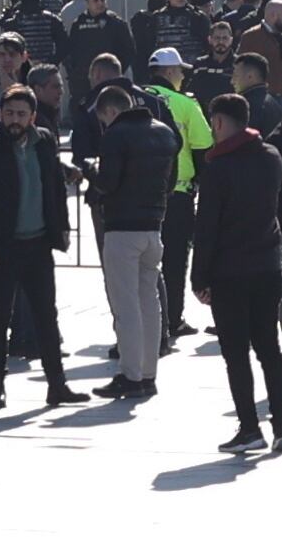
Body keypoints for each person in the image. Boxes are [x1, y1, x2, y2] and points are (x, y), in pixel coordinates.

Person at [0, 86, 87, 410]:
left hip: (38, 243)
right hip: (1, 248)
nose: (14, 120)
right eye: (8, 113)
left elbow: (54, 187)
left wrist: (62, 228)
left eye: (20, 114)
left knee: (47, 315)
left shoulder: (44, 141)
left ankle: (57, 385)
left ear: (32, 116)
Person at [191, 94, 282, 453]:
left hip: (230, 271)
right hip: (268, 265)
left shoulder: (218, 169)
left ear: (217, 122)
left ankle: (249, 428)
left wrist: (199, 278)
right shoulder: (271, 157)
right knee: (269, 348)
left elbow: (207, 228)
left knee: (236, 353)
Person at [82, 86, 174, 401]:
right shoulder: (163, 133)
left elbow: (108, 183)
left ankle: (131, 375)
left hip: (122, 228)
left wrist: (91, 170)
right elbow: (171, 181)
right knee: (150, 301)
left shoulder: (116, 135)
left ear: (110, 112)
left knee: (126, 305)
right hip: (154, 226)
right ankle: (149, 374)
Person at [144, 48, 212, 344]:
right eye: (180, 71)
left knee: (141, 263)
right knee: (174, 259)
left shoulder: (134, 98)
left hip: (139, 196)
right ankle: (172, 319)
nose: (183, 75)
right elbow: (203, 149)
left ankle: (144, 320)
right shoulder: (185, 104)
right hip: (178, 193)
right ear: (170, 72)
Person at [63, 0, 134, 111]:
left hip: (109, 79)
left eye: (103, 0)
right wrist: (73, 71)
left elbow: (129, 50)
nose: (100, 3)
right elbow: (70, 50)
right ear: (87, 4)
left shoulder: (116, 23)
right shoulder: (78, 23)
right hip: (83, 80)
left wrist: (115, 70)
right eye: (95, 1)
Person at [233, 54, 282, 134]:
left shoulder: (246, 106)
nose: (232, 81)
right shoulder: (273, 102)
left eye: (235, 75)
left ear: (250, 76)